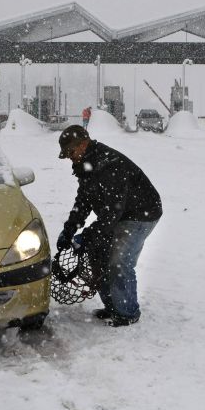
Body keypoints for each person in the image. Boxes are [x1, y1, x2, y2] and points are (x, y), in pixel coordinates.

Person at [56, 125, 162, 327]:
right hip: (118, 214)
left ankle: (127, 313)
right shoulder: (85, 164)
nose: (69, 157)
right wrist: (69, 230)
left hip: (140, 214)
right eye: (66, 154)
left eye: (71, 152)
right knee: (99, 255)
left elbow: (112, 212)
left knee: (119, 261)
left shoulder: (110, 165)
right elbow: (84, 201)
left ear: (84, 144)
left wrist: (86, 235)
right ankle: (113, 306)